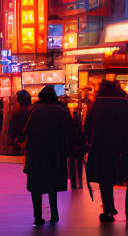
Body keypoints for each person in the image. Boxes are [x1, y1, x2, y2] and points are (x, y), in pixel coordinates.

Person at [85, 77, 128, 223]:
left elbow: (87, 126)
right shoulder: (126, 104)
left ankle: (108, 211)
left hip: (103, 149)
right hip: (126, 148)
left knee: (105, 180)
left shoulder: (96, 105)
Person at [24, 85, 72, 225]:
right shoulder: (62, 111)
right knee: (53, 184)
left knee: (36, 185)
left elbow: (26, 131)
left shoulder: (34, 111)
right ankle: (54, 214)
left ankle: (37, 216)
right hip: (55, 151)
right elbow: (69, 132)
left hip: (36, 153)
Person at [68, 96, 88, 190]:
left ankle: (74, 182)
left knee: (73, 164)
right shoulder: (80, 127)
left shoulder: (71, 126)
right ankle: (79, 182)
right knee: (79, 164)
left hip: (73, 146)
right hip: (79, 146)